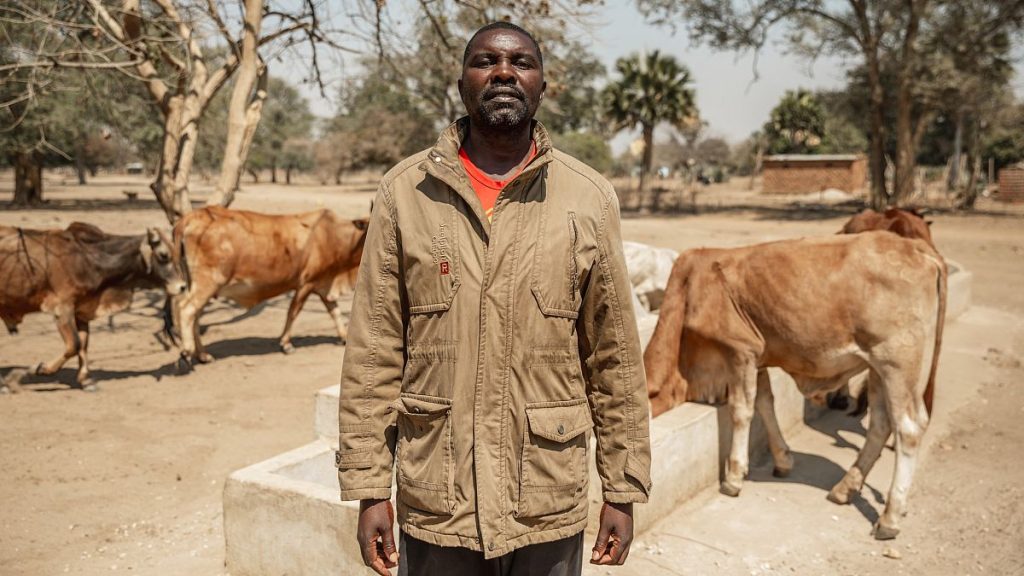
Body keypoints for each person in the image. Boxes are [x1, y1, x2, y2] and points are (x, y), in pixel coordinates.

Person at [336, 21, 652, 576]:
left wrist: (621, 488)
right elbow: (373, 351)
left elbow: (615, 359)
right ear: (462, 82)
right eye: (486, 61)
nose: (504, 72)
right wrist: (368, 487)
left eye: (521, 62)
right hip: (438, 496)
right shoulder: (404, 192)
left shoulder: (588, 197)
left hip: (545, 497)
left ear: (542, 85)